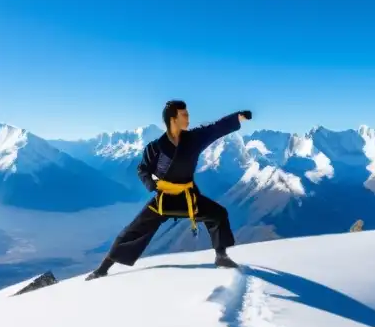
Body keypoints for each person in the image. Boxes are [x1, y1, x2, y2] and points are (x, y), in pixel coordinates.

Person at [86, 100, 252, 280]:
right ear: (173, 119)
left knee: (218, 214)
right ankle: (103, 268)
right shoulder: (155, 148)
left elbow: (214, 128)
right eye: (185, 115)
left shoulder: (194, 139)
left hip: (189, 197)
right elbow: (143, 169)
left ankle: (221, 256)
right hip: (164, 201)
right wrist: (152, 184)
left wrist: (237, 117)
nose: (188, 118)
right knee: (131, 232)